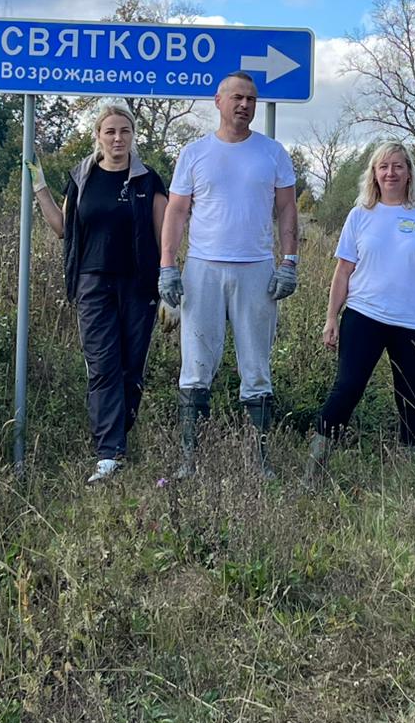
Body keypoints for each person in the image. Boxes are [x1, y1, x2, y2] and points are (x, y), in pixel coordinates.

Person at [157, 71, 298, 479]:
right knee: (196, 364)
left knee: (256, 366)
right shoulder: (195, 153)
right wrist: (168, 264)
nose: (244, 105)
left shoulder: (272, 153)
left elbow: (287, 209)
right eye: (236, 97)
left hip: (256, 269)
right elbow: (177, 211)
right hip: (203, 269)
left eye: (251, 99)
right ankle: (190, 462)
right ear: (218, 101)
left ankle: (259, 462)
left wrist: (290, 262)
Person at [28, 99, 168, 484]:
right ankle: (109, 453)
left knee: (131, 366)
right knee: (103, 364)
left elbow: (165, 233)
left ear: (133, 136)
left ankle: (120, 435)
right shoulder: (82, 177)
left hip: (139, 284)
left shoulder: (148, 180)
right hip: (92, 283)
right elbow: (63, 228)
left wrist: (171, 282)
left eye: (124, 131)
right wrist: (40, 188)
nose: (117, 138)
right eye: (110, 131)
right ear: (98, 137)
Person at [303, 143, 415, 483]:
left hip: (413, 322)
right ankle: (314, 470)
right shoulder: (360, 215)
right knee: (347, 389)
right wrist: (331, 318)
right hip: (363, 315)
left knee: (411, 396)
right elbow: (342, 271)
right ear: (374, 173)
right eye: (383, 167)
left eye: (398, 166)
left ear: (409, 173)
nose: (390, 173)